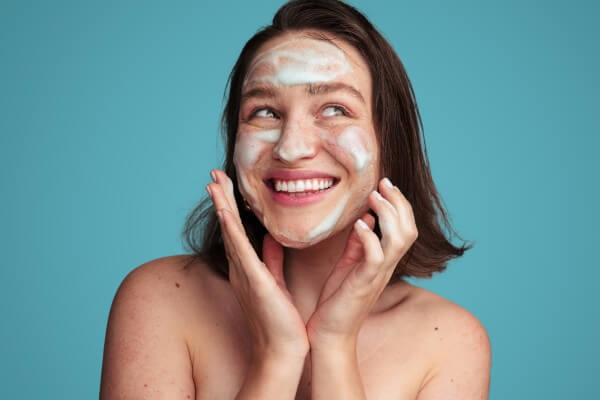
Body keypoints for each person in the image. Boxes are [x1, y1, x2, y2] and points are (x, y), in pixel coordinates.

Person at [100, 0, 491, 398]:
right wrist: (277, 356)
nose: (290, 148)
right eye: (265, 112)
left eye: (335, 109)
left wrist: (335, 345)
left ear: (390, 144)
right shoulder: (160, 299)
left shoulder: (450, 340)